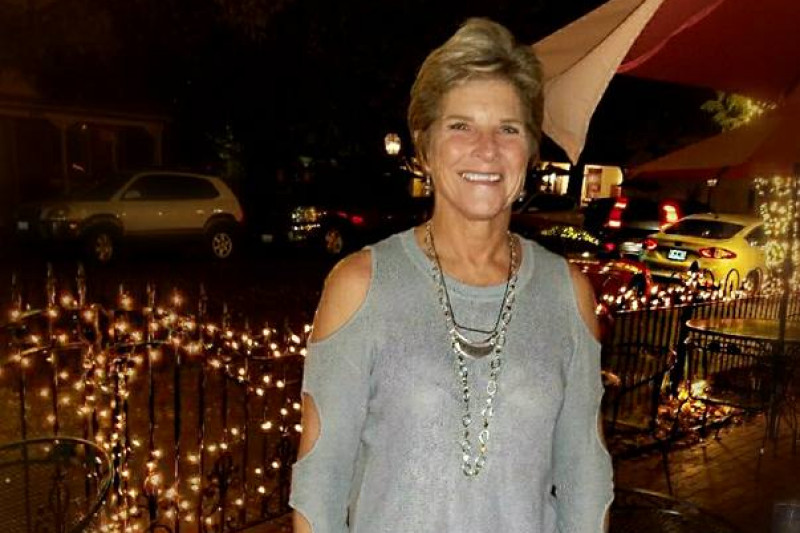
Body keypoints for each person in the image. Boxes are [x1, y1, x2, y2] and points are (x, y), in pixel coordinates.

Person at [290, 17, 613, 533]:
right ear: (425, 146)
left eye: (508, 128)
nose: (486, 148)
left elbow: (585, 477)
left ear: (530, 151)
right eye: (460, 125)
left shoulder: (566, 294)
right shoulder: (360, 286)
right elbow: (320, 486)